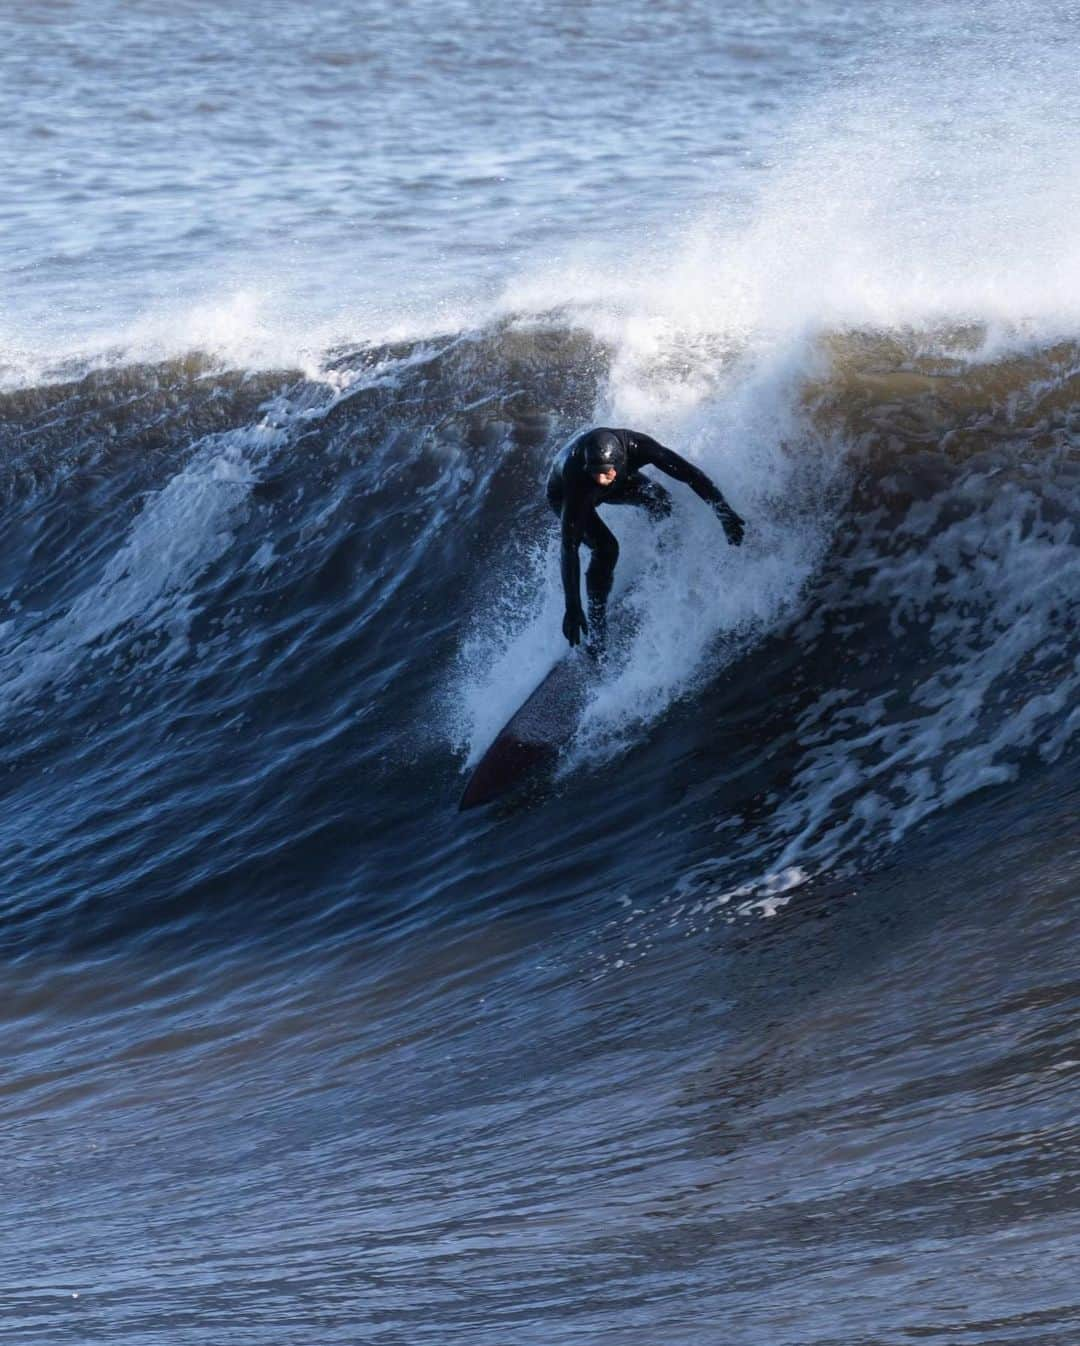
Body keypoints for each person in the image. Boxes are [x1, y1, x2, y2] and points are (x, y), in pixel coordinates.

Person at [546, 427, 745, 649]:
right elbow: (569, 547)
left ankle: (665, 558)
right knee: (606, 548)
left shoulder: (639, 447)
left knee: (661, 502)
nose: (601, 480)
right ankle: (597, 627)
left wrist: (724, 514)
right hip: (564, 493)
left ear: (621, 459)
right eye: (596, 472)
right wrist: (572, 606)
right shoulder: (582, 479)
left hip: (619, 477)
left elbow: (690, 475)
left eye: (605, 472)